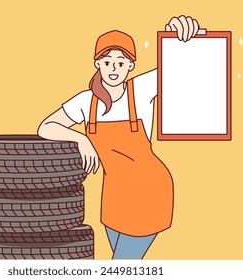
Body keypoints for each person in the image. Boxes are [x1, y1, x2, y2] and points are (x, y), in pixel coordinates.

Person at [37, 16, 199, 259]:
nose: (114, 68)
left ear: (131, 66)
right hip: (114, 200)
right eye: (108, 61)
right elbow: (46, 126)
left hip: (150, 193)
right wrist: (82, 140)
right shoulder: (85, 101)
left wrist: (181, 35)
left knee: (122, 265)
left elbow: (180, 65)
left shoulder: (142, 89)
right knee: (125, 266)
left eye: (121, 62)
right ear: (97, 63)